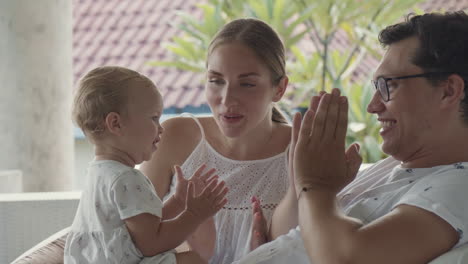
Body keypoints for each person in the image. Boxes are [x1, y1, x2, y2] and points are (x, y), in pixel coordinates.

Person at [235, 11, 468, 264]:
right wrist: (301, 186)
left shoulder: (459, 185)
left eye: (388, 85)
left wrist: (316, 186)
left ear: (448, 90)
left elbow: (347, 258)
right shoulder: (390, 169)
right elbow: (295, 236)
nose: (373, 106)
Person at [140, 18, 297, 264]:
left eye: (246, 84)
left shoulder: (300, 153)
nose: (227, 99)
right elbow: (133, 240)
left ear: (279, 88)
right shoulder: (173, 138)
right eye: (216, 81)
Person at [64, 66, 228, 264]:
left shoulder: (98, 172)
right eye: (153, 118)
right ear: (116, 123)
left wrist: (177, 201)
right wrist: (195, 214)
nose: (160, 129)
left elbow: (143, 226)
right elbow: (151, 244)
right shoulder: (126, 178)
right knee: (192, 260)